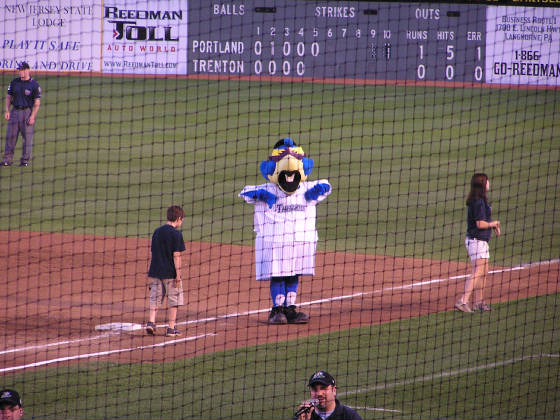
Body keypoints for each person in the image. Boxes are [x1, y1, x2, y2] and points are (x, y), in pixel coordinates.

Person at [239, 138, 331, 324]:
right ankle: (276, 309)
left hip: (300, 241)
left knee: (294, 273)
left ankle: (289, 308)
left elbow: (327, 186)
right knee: (279, 274)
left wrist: (320, 190)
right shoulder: (268, 189)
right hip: (275, 242)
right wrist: (260, 195)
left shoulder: (306, 188)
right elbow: (245, 193)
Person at [455, 173, 501, 313]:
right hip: (476, 241)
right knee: (478, 271)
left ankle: (479, 302)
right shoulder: (478, 202)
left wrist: (492, 227)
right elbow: (480, 224)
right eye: (487, 181)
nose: (489, 183)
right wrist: (493, 223)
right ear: (483, 184)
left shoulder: (480, 200)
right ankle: (463, 301)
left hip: (480, 242)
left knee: (484, 272)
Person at [145, 205, 186, 337]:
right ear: (179, 218)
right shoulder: (176, 234)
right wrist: (178, 276)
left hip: (156, 271)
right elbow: (176, 255)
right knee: (174, 300)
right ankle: (171, 328)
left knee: (155, 298)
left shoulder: (157, 231)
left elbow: (153, 251)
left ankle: (151, 322)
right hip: (170, 273)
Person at [2, 61, 41, 167]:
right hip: (14, 111)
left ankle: (24, 161)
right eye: (19, 70)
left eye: (23, 70)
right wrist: (7, 110)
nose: (20, 72)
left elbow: (37, 102)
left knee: (27, 138)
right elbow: (9, 97)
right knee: (10, 137)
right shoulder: (14, 82)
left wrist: (33, 116)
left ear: (28, 70)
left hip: (27, 112)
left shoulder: (34, 84)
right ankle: (7, 160)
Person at [294, 371, 362, 420]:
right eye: (314, 389)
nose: (319, 393)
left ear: (334, 390)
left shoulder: (349, 416)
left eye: (323, 388)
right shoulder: (303, 417)